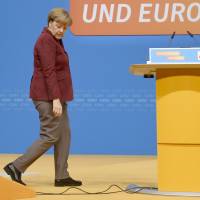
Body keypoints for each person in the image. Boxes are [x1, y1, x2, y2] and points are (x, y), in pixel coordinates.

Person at [3, 8, 82, 187]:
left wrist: (59, 98)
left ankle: (61, 175)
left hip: (56, 96)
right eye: (58, 25)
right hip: (47, 97)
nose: (61, 30)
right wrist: (55, 99)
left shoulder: (54, 40)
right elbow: (49, 72)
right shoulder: (45, 41)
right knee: (50, 135)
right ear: (50, 22)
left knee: (64, 133)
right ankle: (16, 167)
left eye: (65, 27)